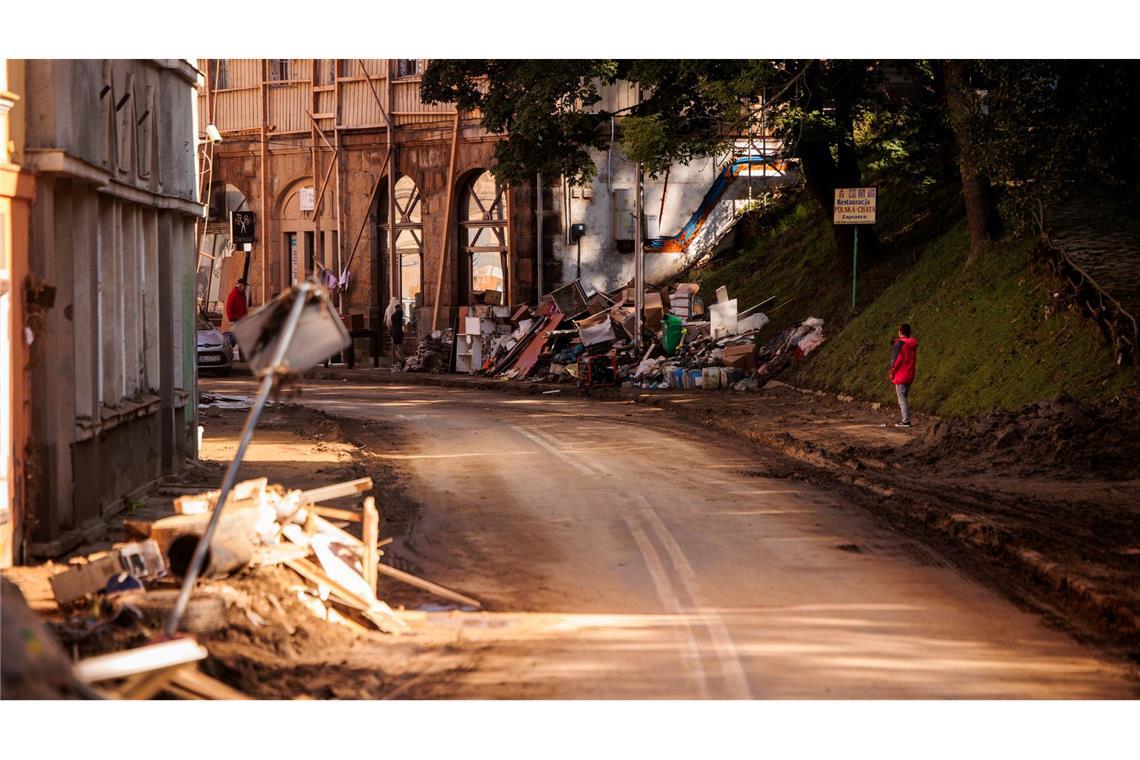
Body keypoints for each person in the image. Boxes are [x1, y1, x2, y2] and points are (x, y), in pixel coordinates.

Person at [889, 323, 918, 428]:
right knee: (904, 397)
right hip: (910, 374)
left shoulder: (900, 344)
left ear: (900, 332)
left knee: (901, 399)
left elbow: (897, 360)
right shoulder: (912, 344)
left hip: (901, 375)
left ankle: (906, 420)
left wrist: (892, 372)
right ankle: (906, 419)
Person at [224, 278, 250, 355]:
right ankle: (226, 351)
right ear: (239, 285)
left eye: (246, 286)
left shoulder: (243, 295)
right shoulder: (233, 294)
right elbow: (229, 308)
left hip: (242, 320)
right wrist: (231, 319)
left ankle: (242, 356)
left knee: (242, 338)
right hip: (236, 320)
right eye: (244, 285)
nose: (245, 287)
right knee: (235, 338)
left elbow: (243, 308)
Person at [384, 297, 405, 366]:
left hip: (394, 331)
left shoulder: (389, 310)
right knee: (399, 347)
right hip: (398, 331)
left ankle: (400, 360)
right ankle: (402, 360)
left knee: (397, 347)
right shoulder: (399, 313)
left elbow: (386, 321)